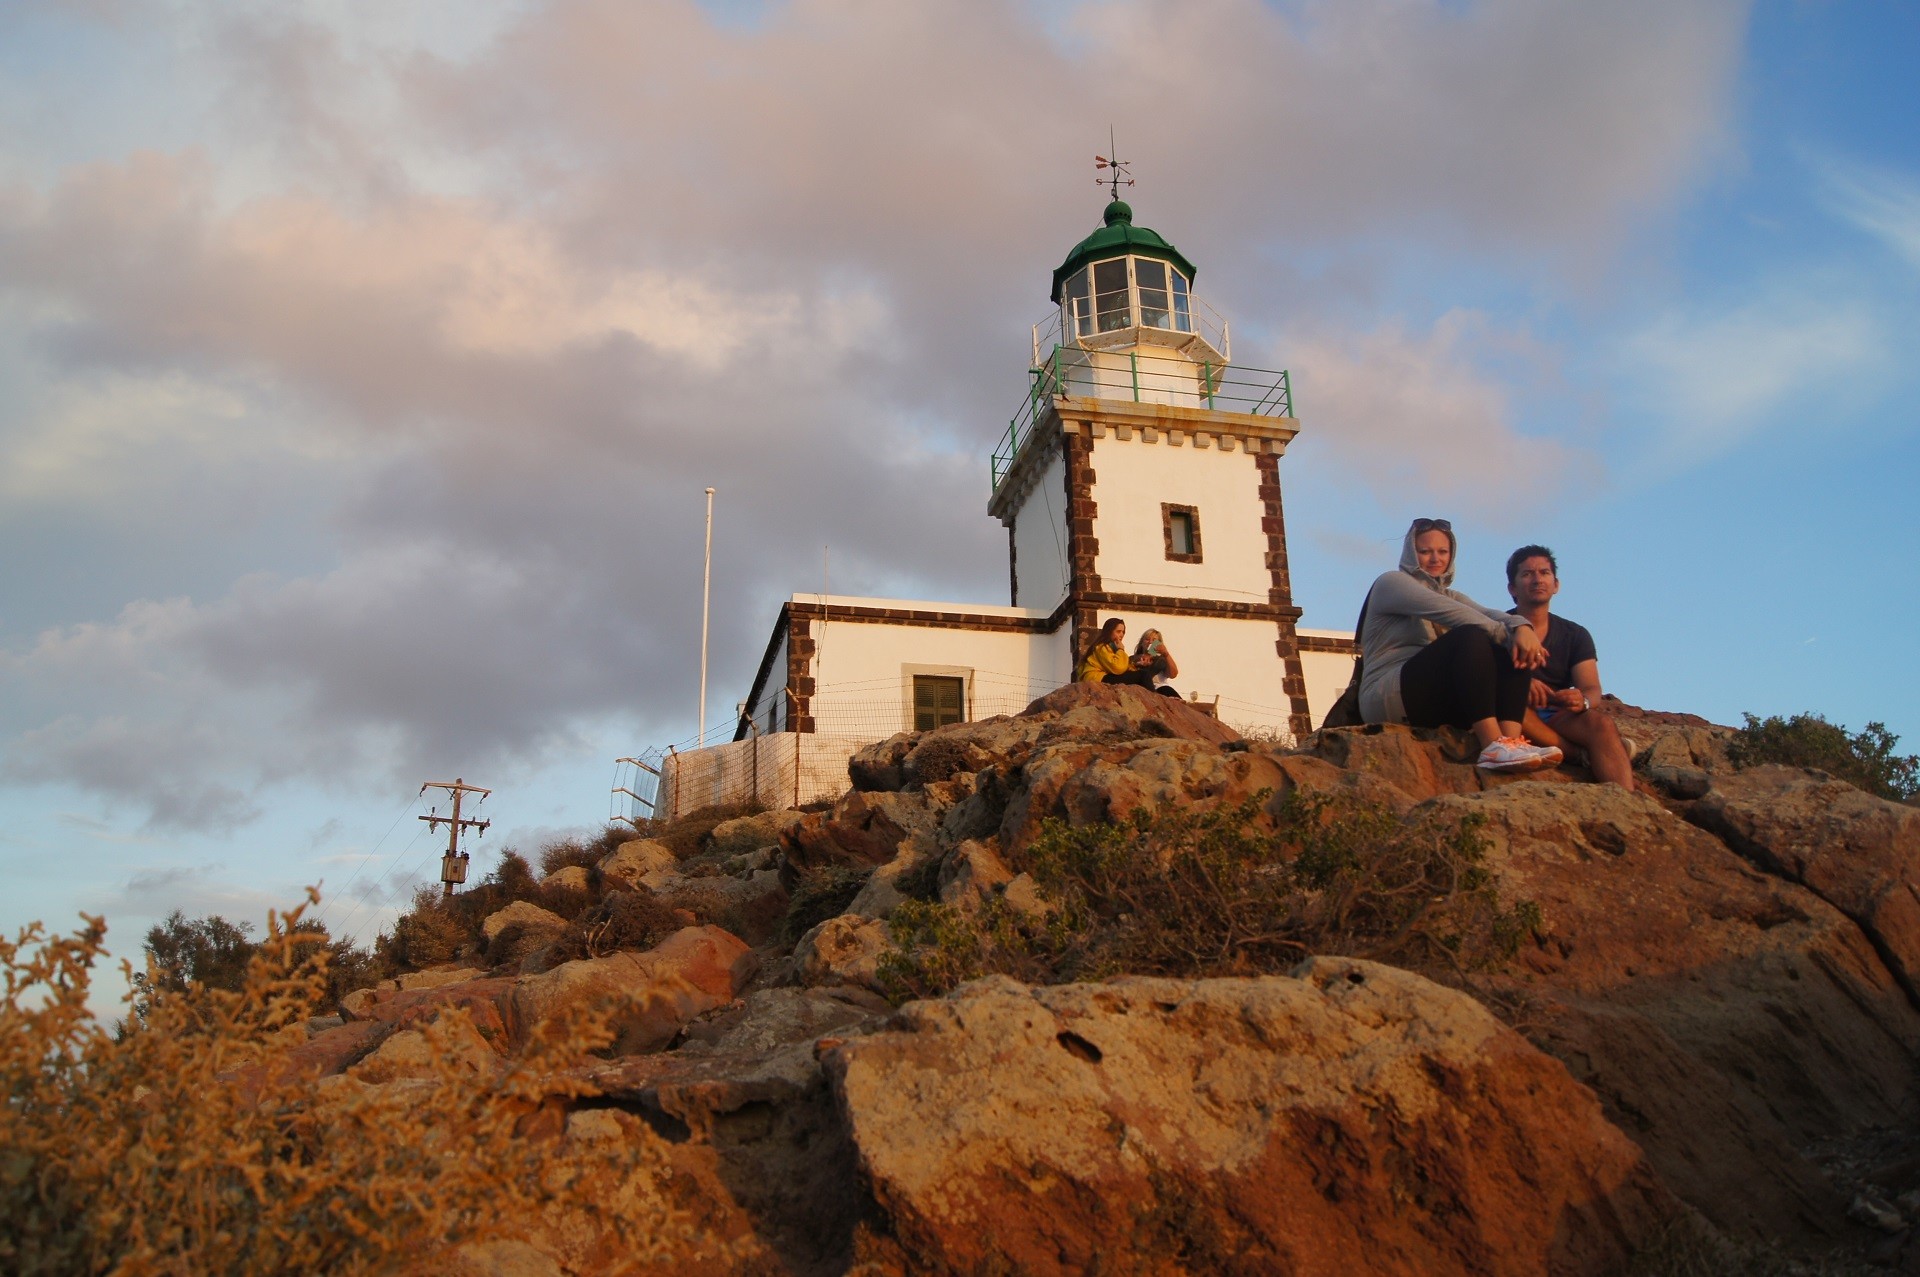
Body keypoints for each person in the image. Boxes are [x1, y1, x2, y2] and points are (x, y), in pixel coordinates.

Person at [1358, 518, 1563, 772]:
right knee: (1471, 636)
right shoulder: (1391, 583)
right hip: (1386, 694)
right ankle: (1492, 745)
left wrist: (1522, 628)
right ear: (1411, 553)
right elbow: (1454, 614)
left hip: (1429, 696)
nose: (1435, 559)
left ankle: (1511, 744)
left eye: (1442, 552)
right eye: (1425, 551)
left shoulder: (1450, 594)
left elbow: (1490, 613)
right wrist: (1510, 634)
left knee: (1507, 647)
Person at [1505, 545, 1636, 791]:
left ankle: (1628, 802)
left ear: (1556, 584)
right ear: (1512, 588)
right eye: (1527, 574)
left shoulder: (1575, 635)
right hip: (1515, 709)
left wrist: (1581, 700)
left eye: (1544, 572)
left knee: (1601, 725)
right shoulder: (1498, 627)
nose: (1537, 579)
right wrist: (1521, 684)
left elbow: (1592, 687)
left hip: (1556, 712)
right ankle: (1578, 754)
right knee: (1511, 705)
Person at [1077, 617, 1151, 685]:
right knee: (1143, 675)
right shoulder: (1101, 647)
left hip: (1105, 676)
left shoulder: (1112, 647)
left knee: (1143, 675)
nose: (1121, 635)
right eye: (1118, 632)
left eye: (1123, 632)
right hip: (1097, 678)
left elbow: (1121, 667)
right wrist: (1121, 650)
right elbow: (1117, 667)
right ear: (1109, 631)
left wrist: (1135, 665)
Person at [1133, 629, 1182, 697]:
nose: (1150, 642)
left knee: (1167, 690)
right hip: (1142, 689)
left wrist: (1166, 654)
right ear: (1142, 643)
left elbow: (1173, 674)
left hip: (1160, 689)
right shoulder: (1134, 658)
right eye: (1147, 639)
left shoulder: (1161, 660)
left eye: (1154, 640)